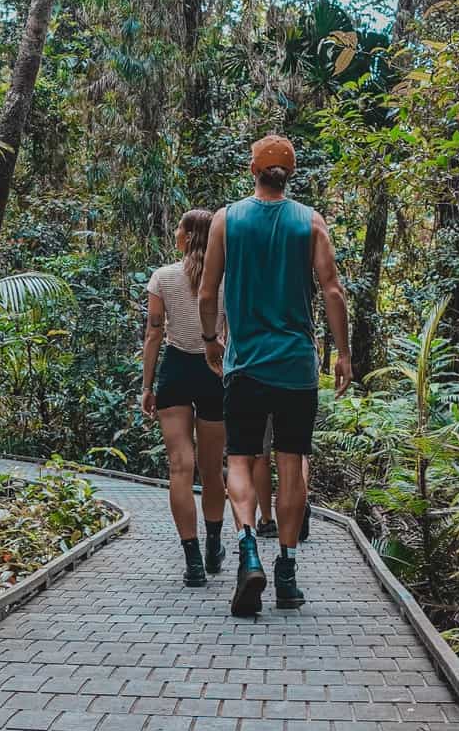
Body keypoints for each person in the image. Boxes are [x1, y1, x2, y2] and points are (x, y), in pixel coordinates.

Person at [198, 133, 350, 617]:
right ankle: (286, 571)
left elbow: (207, 292)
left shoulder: (227, 220)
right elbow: (332, 291)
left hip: (245, 365)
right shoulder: (311, 221)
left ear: (253, 170)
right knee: (291, 462)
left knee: (241, 460)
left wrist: (211, 340)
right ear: (291, 173)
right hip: (296, 366)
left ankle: (248, 549)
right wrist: (343, 354)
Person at [139, 208, 228, 586]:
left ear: (188, 236)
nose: (175, 232)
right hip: (214, 371)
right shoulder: (226, 278)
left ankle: (192, 561)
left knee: (179, 467)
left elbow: (154, 333)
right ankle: (213, 546)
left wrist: (147, 386)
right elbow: (231, 330)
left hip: (175, 371)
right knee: (211, 469)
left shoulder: (163, 277)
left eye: (179, 227)